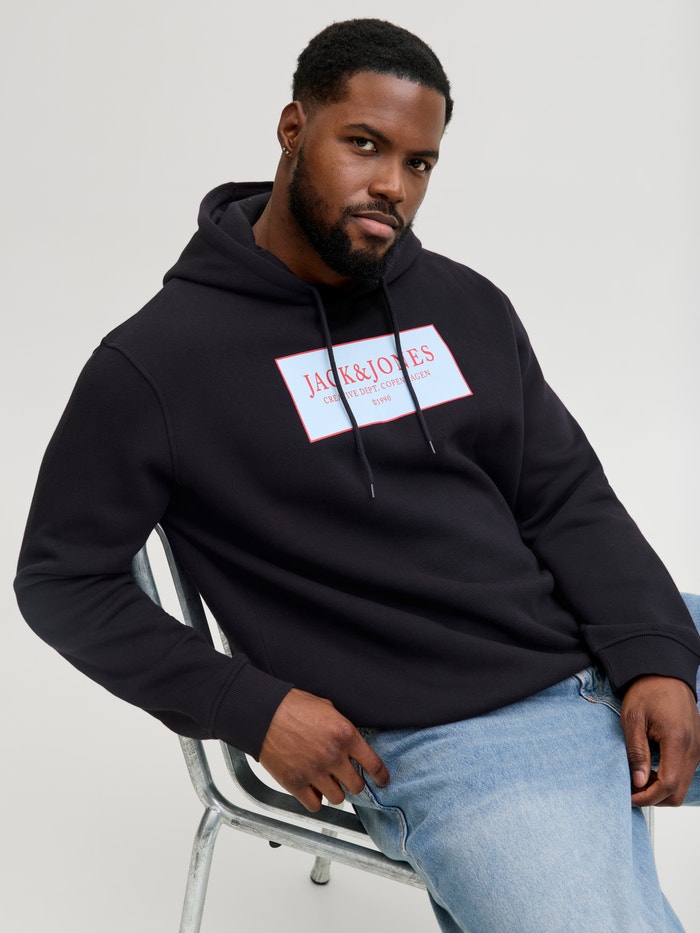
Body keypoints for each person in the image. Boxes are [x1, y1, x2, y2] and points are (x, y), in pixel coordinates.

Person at [14, 18, 700, 932]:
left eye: (420, 163)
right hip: (455, 739)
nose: (393, 186)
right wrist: (250, 707)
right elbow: (61, 578)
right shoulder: (158, 364)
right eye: (365, 145)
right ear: (293, 128)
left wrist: (655, 652)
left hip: (595, 634)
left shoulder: (463, 303)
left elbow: (565, 496)